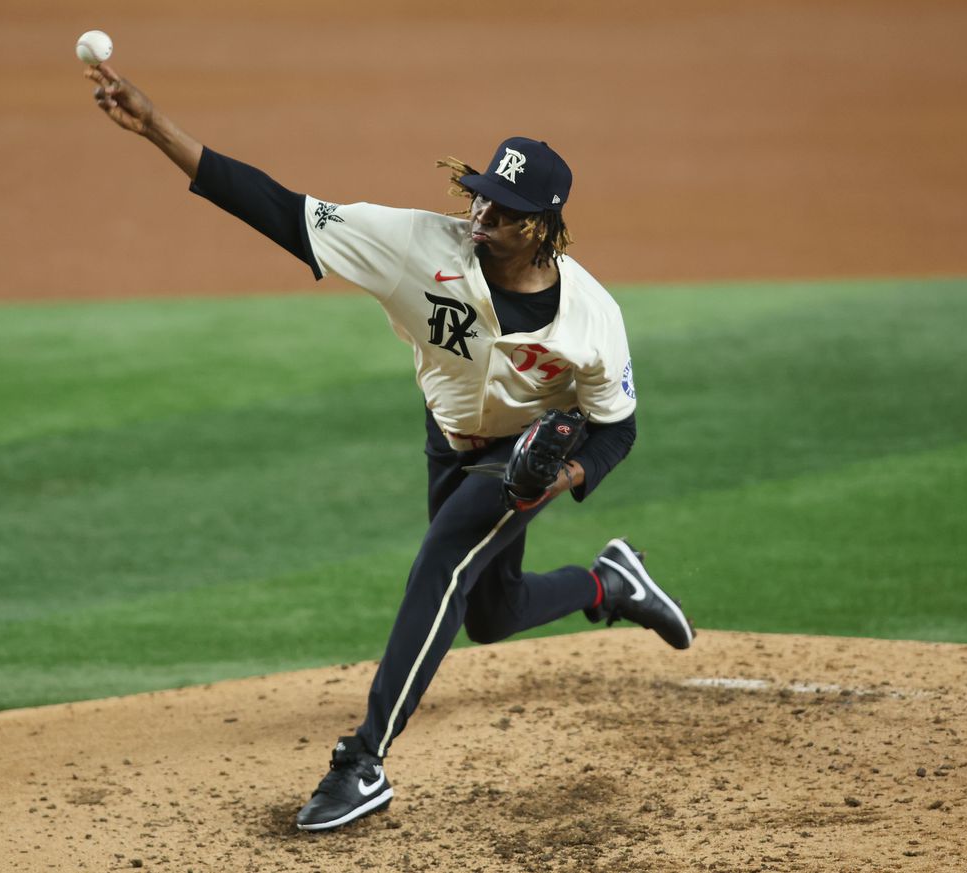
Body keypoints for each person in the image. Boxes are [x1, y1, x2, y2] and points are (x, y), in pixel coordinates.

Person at [83, 61, 696, 832]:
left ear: (538, 225)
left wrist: (564, 471)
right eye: (478, 195)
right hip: (449, 442)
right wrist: (156, 128)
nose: (480, 214)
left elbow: (620, 426)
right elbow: (280, 209)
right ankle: (610, 584)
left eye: (502, 210)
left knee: (443, 556)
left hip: (521, 461)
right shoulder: (414, 245)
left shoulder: (592, 317)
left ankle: (363, 758)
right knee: (491, 613)